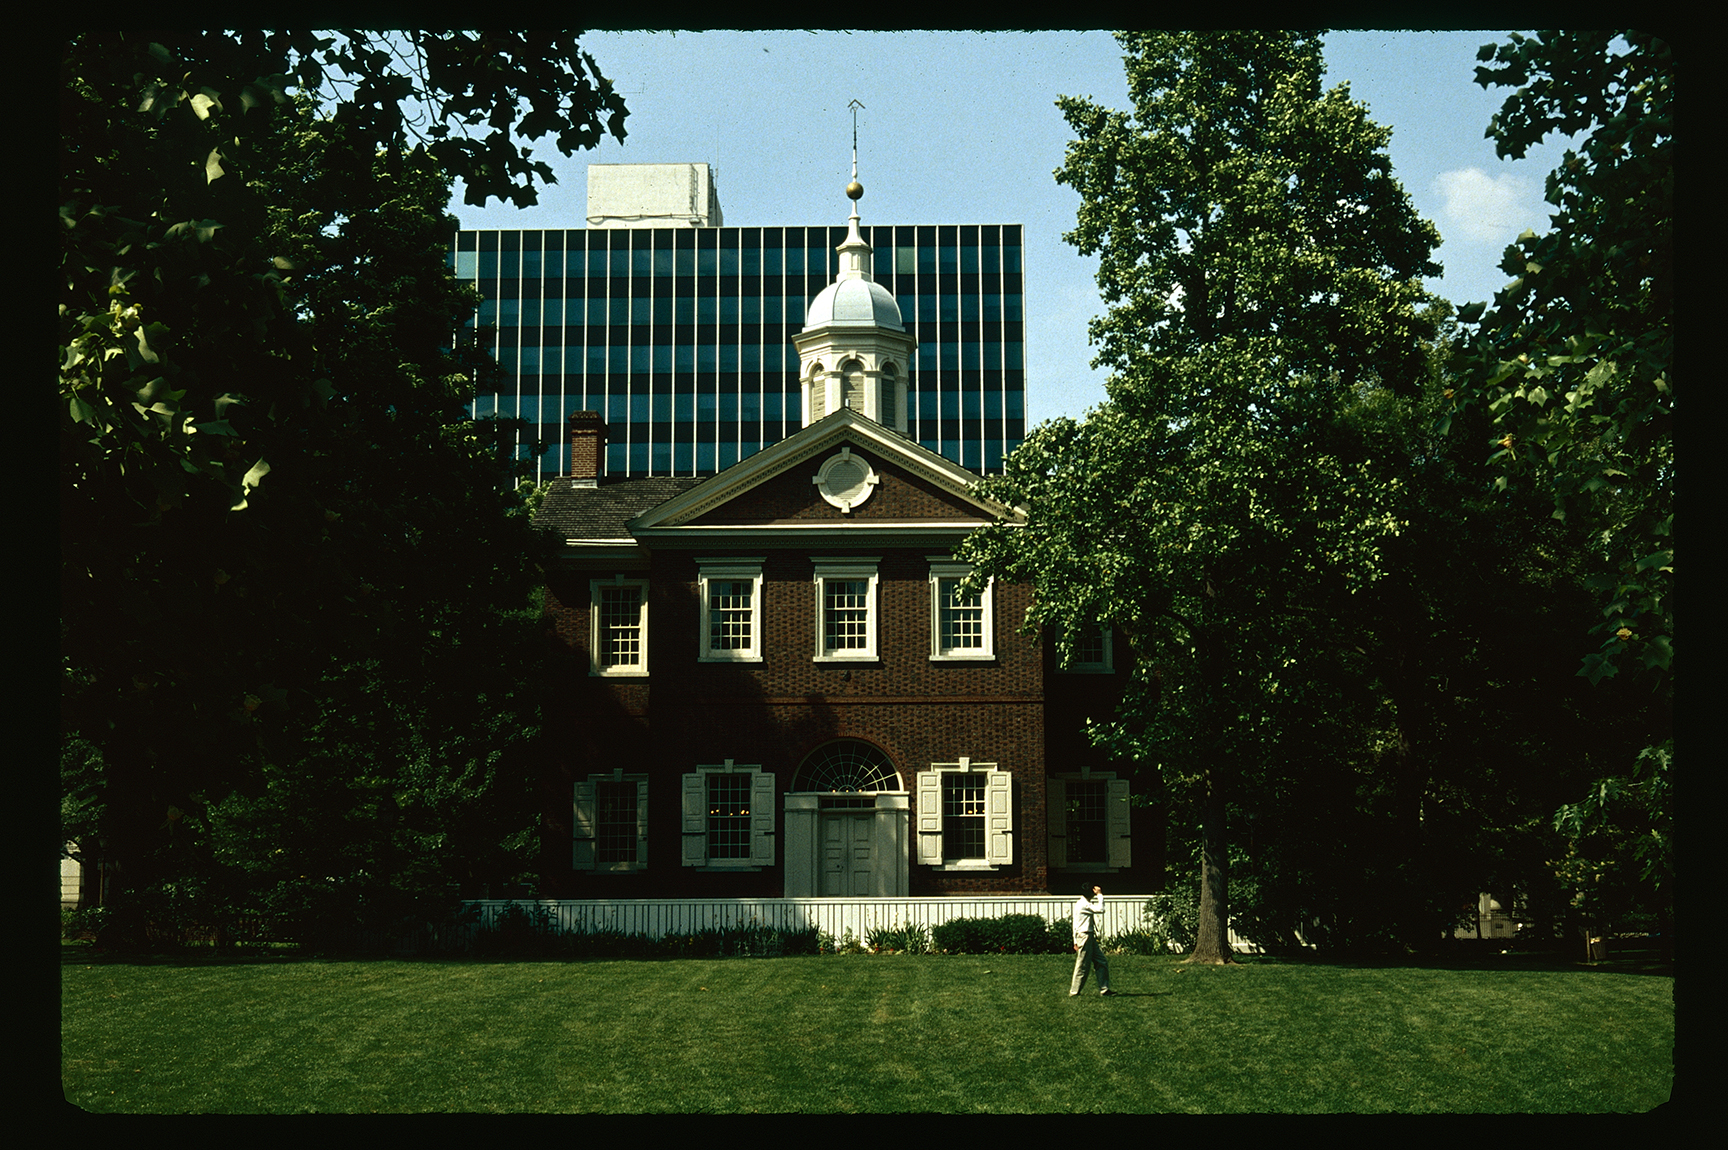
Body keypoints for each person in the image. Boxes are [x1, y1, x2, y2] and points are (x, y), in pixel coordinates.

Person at [1070, 884, 1115, 996]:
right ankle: (1074, 991)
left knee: (1101, 961)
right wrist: (1100, 895)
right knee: (1082, 965)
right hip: (1085, 936)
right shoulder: (1084, 904)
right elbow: (1101, 909)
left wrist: (1075, 940)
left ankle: (1104, 989)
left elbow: (1074, 924)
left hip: (1087, 936)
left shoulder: (1081, 903)